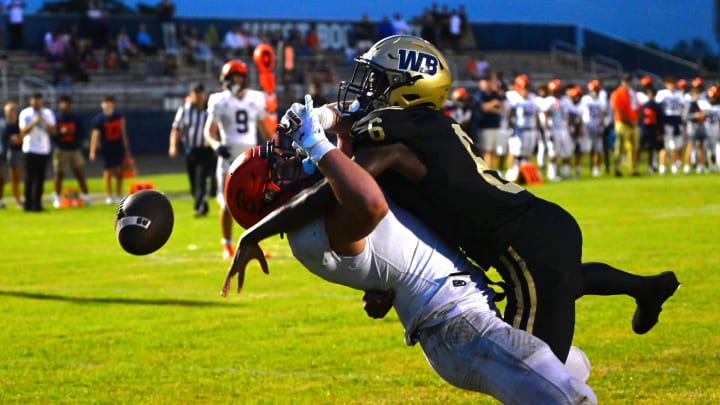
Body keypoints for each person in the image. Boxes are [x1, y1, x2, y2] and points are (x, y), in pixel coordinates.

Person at [279, 35, 679, 362]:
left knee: (532, 374)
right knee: (562, 284)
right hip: (540, 229)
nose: (366, 90)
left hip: (525, 247)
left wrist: (270, 221)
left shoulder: (396, 133)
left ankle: (643, 291)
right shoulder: (415, 127)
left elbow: (338, 189)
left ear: (408, 87)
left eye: (377, 81)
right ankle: (646, 288)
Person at [221, 106, 597, 404]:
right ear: (269, 194)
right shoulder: (311, 231)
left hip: (461, 316)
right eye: (282, 165)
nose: (294, 158)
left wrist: (326, 119)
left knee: (571, 366)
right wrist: (319, 147)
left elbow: (353, 139)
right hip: (455, 324)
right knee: (568, 397)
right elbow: (370, 204)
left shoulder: (318, 208)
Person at [203, 59, 274, 259]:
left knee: (255, 203)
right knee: (227, 204)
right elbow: (208, 132)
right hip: (228, 159)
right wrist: (217, 146)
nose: (236, 80)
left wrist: (276, 149)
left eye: (239, 76)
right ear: (225, 79)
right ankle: (227, 245)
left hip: (251, 161)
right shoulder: (219, 100)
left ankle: (254, 243)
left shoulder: (256, 99)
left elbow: (265, 129)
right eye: (233, 76)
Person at [169, 82, 215, 217]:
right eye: (196, 94)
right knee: (193, 180)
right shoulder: (185, 109)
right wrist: (173, 145)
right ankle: (202, 205)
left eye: (201, 93)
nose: (200, 97)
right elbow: (176, 129)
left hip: (206, 150)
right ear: (191, 95)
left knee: (201, 178)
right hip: (191, 150)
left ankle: (199, 206)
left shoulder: (211, 110)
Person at [89, 95, 132, 204]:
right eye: (106, 102)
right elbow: (95, 136)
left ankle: (118, 194)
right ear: (102, 104)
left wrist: (126, 148)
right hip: (106, 148)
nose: (108, 105)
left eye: (110, 102)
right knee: (107, 171)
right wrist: (92, 150)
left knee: (119, 171)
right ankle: (109, 195)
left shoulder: (119, 117)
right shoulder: (98, 120)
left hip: (118, 146)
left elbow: (123, 133)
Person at [51, 95, 91, 208]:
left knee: (80, 173)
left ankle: (87, 196)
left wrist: (73, 134)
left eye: (66, 103)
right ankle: (57, 198)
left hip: (74, 149)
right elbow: (52, 134)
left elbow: (82, 134)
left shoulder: (75, 118)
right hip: (61, 149)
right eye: (62, 103)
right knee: (59, 174)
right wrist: (62, 132)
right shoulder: (56, 118)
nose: (65, 105)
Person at [19, 93, 56, 212]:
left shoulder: (48, 113)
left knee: (40, 178)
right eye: (35, 100)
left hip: (43, 149)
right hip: (30, 148)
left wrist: (44, 121)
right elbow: (23, 131)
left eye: (39, 101)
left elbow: (54, 131)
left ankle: (37, 204)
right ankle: (28, 203)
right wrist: (34, 122)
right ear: (31, 101)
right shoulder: (25, 113)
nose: (37, 103)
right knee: (29, 177)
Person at [609, 74, 641, 177]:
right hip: (622, 123)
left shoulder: (632, 93)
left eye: (629, 81)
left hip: (633, 123)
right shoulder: (617, 93)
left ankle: (633, 169)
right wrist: (629, 121)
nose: (628, 83)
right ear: (622, 82)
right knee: (620, 146)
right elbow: (617, 110)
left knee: (634, 147)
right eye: (626, 81)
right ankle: (617, 168)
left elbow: (637, 107)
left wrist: (636, 120)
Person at [2, 102, 23, 207]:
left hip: (21, 152)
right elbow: (10, 140)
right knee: (4, 179)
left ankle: (19, 199)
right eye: (8, 111)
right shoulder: (4, 125)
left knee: (17, 178)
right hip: (7, 153)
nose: (10, 113)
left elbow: (22, 138)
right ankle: (16, 200)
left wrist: (19, 138)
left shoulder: (21, 123)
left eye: (12, 111)